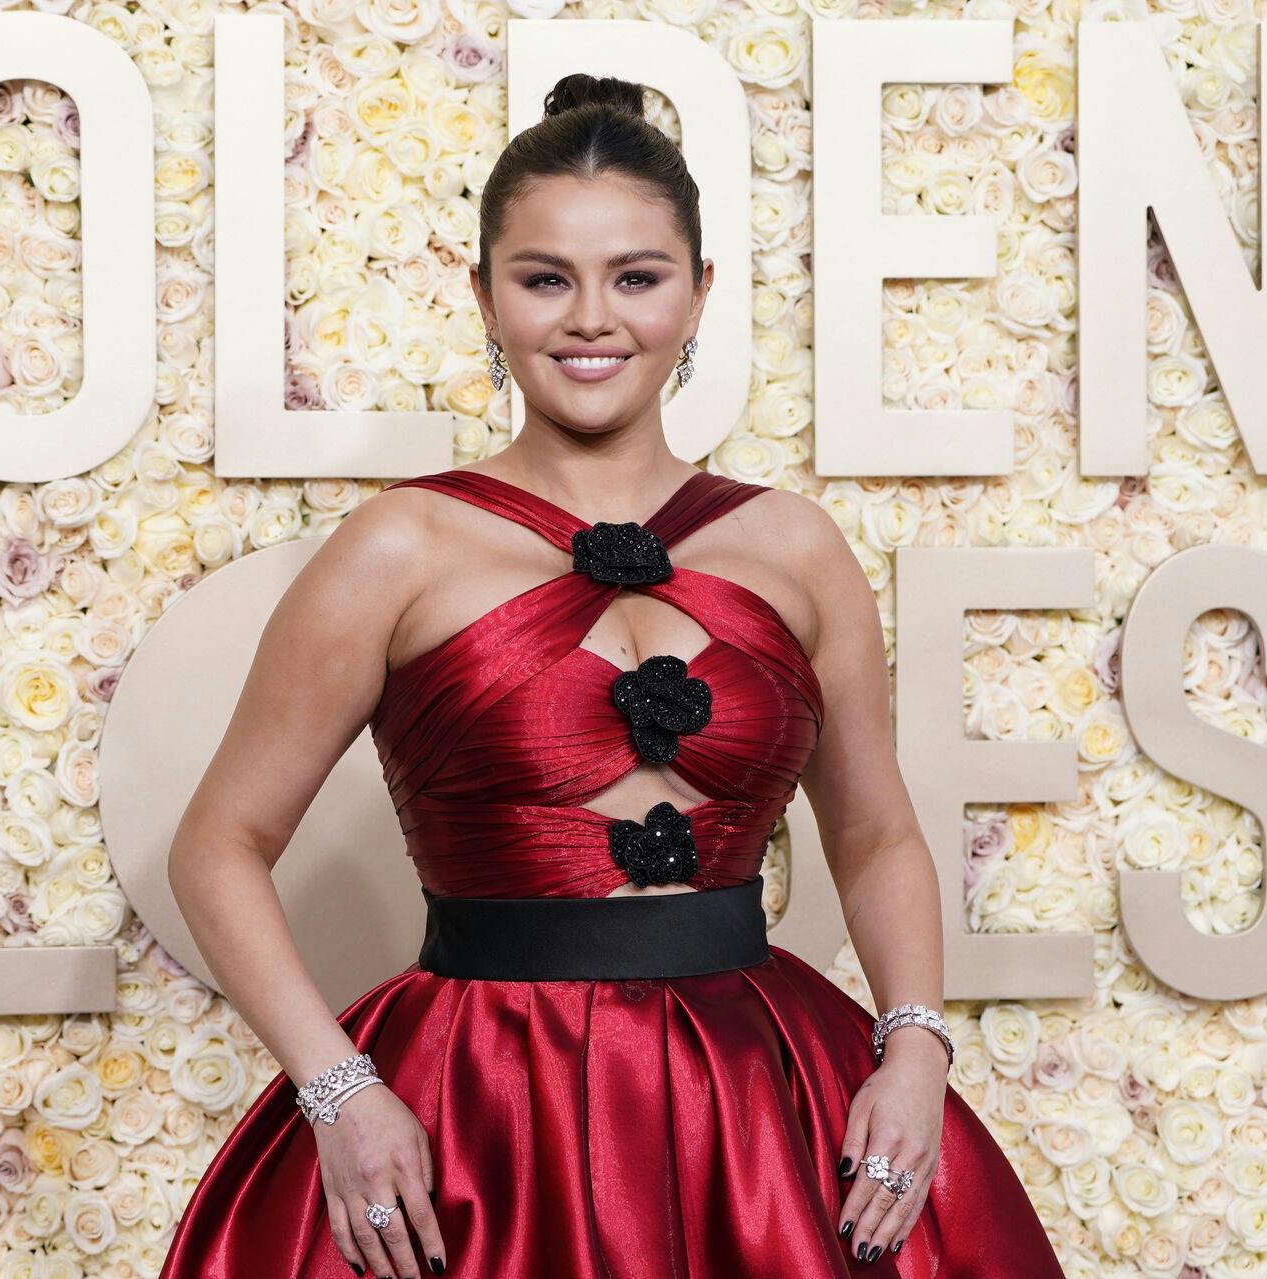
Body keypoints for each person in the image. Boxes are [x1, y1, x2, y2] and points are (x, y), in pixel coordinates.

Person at [157, 72, 1067, 1279]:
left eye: (636, 277)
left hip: (760, 1099)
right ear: (484, 296)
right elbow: (217, 843)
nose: (593, 319)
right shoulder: (397, 548)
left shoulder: (794, 546)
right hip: (479, 1105)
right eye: (546, 279)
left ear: (698, 294)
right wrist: (339, 1092)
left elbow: (878, 834)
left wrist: (914, 1051)